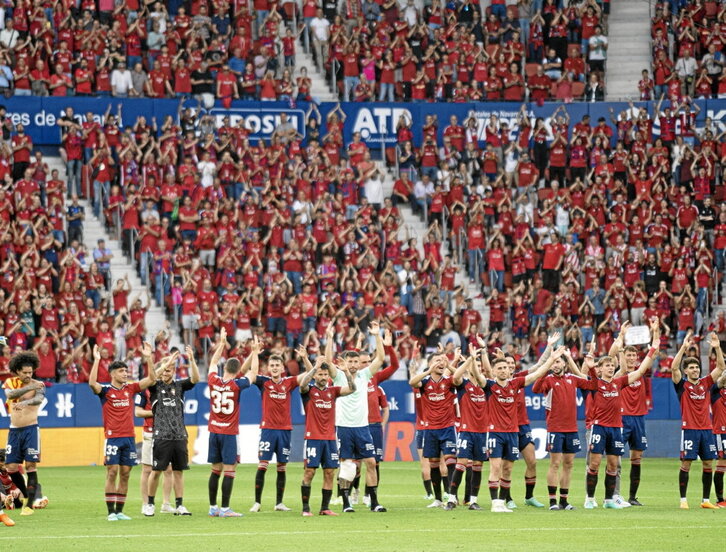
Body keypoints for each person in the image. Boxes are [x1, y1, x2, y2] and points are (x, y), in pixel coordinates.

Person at [582, 320, 660, 510]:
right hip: (599, 427)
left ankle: (609, 499)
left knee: (613, 464)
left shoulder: (619, 383)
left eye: (611, 366)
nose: (609, 368)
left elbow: (640, 370)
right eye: (606, 366)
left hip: (616, 428)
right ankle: (590, 498)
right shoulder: (594, 384)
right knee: (594, 463)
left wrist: (652, 350)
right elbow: (583, 373)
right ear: (601, 369)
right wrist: (591, 362)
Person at [481, 347, 564, 512]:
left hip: (515, 430)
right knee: (496, 467)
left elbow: (536, 372)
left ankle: (511, 500)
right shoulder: (490, 385)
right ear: (494, 371)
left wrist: (550, 356)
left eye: (508, 366)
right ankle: (496, 502)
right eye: (502, 367)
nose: (506, 369)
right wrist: (482, 352)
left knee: (510, 467)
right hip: (496, 431)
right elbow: (480, 375)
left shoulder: (516, 382)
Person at [324, 321, 387, 513]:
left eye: (355, 362)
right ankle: (346, 503)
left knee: (371, 462)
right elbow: (327, 361)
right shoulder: (338, 377)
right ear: (344, 363)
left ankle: (374, 501)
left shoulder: (364, 375)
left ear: (359, 363)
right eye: (349, 362)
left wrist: (376, 335)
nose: (352, 365)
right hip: (343, 427)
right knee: (348, 466)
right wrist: (329, 338)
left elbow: (381, 359)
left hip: (362, 427)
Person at [89, 342, 156, 521]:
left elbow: (151, 380)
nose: (125, 374)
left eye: (126, 371)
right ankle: (111, 512)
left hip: (129, 438)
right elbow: (91, 383)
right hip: (112, 438)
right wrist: (96, 360)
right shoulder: (105, 391)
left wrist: (149, 358)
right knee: (112, 472)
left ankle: (120, 511)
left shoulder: (130, 388)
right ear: (112, 374)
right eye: (121, 371)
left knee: (125, 473)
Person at [208, 330, 260, 517]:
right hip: (229, 432)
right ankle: (225, 509)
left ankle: (213, 507)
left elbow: (213, 362)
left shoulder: (213, 380)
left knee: (215, 469)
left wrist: (222, 343)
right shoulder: (237, 385)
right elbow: (253, 372)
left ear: (224, 369)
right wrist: (254, 352)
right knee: (230, 469)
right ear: (237, 371)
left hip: (214, 431)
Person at [145, 347, 200, 516]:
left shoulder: (180, 386)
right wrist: (164, 363)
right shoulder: (155, 386)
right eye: (164, 370)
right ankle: (150, 503)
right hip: (161, 435)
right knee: (156, 472)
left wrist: (191, 360)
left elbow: (196, 379)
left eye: (169, 369)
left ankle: (180, 504)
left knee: (179, 471)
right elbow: (152, 376)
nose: (165, 373)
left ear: (174, 371)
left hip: (179, 435)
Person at [672, 330, 724, 509]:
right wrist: (683, 349)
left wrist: (717, 348)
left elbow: (720, 368)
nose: (695, 370)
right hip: (690, 430)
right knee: (686, 463)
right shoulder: (682, 385)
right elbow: (673, 368)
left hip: (707, 430)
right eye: (691, 368)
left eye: (697, 367)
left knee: (708, 463)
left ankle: (705, 500)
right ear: (686, 371)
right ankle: (683, 500)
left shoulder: (705, 383)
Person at [533, 347, 589, 510]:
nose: (555, 365)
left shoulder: (573, 379)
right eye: (554, 362)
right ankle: (552, 501)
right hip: (555, 428)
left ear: (565, 364)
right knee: (555, 463)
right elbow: (536, 389)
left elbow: (590, 383)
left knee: (569, 463)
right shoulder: (548, 380)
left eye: (558, 361)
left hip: (571, 428)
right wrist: (547, 364)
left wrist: (570, 359)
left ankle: (564, 500)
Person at [299, 356, 356, 516]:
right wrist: (313, 368)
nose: (323, 377)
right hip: (313, 438)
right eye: (320, 374)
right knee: (309, 472)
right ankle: (305, 508)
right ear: (315, 375)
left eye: (325, 375)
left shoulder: (333, 391)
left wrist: (345, 372)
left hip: (330, 439)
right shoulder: (309, 391)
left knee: (330, 472)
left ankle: (325, 508)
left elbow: (352, 389)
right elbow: (302, 384)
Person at [251, 347, 298, 513]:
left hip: (285, 430)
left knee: (282, 467)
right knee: (262, 465)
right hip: (268, 430)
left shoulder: (289, 383)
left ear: (282, 368)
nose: (275, 367)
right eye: (272, 365)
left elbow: (305, 378)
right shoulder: (264, 382)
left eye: (278, 365)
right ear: (268, 368)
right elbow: (251, 373)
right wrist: (255, 354)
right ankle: (257, 502)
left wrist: (309, 361)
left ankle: (279, 503)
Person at [409, 351, 457, 509]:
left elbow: (460, 378)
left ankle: (451, 496)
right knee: (433, 464)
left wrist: (450, 364)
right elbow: (412, 382)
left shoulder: (450, 381)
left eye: (443, 361)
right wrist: (428, 371)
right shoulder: (425, 383)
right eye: (438, 360)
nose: (441, 363)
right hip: (430, 429)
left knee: (450, 461)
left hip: (448, 427)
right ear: (430, 364)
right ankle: (437, 499)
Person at [1, 351, 45, 516]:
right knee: (11, 467)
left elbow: (39, 399)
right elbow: (10, 395)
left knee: (31, 466)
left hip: (31, 429)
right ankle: (27, 495)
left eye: (31, 372)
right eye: (25, 372)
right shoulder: (10, 382)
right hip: (14, 430)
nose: (28, 375)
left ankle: (30, 505)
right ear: (17, 371)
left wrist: (25, 401)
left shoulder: (38, 384)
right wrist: (32, 386)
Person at [445, 348, 487, 510]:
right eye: (475, 363)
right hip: (466, 431)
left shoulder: (486, 386)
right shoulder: (464, 384)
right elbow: (455, 376)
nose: (478, 366)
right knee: (461, 463)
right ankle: (451, 498)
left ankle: (472, 500)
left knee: (477, 466)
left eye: (479, 364)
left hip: (482, 432)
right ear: (469, 366)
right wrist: (470, 359)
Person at [619, 344, 651, 506]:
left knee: (637, 457)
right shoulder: (619, 373)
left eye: (634, 355)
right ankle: (612, 496)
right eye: (628, 355)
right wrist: (619, 344)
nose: (632, 358)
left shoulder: (641, 374)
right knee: (614, 457)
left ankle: (632, 497)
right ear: (623, 357)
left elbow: (650, 360)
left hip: (639, 418)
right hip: (622, 418)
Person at [136, 387, 175, 514]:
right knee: (147, 469)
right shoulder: (144, 390)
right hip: (150, 432)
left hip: (166, 433)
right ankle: (146, 503)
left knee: (168, 470)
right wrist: (156, 412)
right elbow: (138, 412)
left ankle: (166, 504)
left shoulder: (171, 389)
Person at [711, 367, 726, 507]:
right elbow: (722, 380)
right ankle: (720, 500)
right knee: (722, 464)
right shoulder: (715, 391)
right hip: (722, 432)